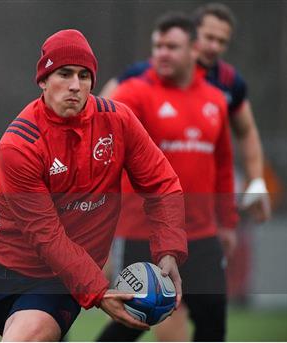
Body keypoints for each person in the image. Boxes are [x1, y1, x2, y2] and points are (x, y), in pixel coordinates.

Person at [0, 29, 188, 342]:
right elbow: (46, 235)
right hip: (0, 259)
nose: (75, 85)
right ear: (43, 80)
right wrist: (98, 291)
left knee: (26, 337)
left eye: (84, 76)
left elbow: (162, 183)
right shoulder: (19, 144)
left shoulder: (118, 121)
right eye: (64, 74)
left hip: (58, 277)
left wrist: (169, 251)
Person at [96, 13, 238, 342]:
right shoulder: (133, 94)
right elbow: (99, 132)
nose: (161, 53)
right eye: (157, 46)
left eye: (171, 46)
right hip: (142, 234)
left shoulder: (215, 99)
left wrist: (227, 221)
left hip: (201, 235)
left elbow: (224, 166)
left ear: (194, 49)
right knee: (128, 323)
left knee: (213, 323)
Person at [99, 3, 270, 223]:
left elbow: (246, 131)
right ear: (193, 37)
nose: (214, 47)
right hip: (146, 213)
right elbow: (103, 112)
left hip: (201, 212)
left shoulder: (228, 82)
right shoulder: (146, 73)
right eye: (209, 37)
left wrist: (256, 180)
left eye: (222, 42)